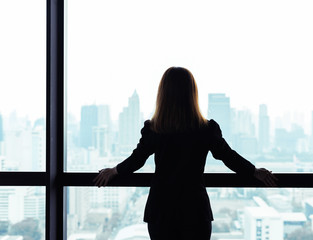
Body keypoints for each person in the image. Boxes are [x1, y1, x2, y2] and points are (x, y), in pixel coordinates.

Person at [93, 67, 277, 240]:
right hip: (195, 210)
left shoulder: (154, 128)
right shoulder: (206, 129)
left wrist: (114, 171)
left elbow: (137, 159)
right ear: (192, 94)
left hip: (161, 211)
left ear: (162, 94)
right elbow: (228, 156)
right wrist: (254, 171)